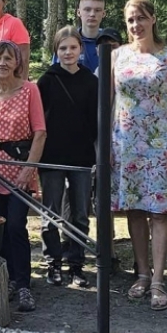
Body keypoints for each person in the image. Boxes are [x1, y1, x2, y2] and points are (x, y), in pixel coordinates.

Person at [112, 0, 167, 311]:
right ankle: (141, 274)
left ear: (153, 19)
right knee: (134, 211)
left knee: (159, 213)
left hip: (159, 144)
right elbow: (110, 103)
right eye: (130, 19)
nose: (135, 25)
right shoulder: (117, 56)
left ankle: (158, 279)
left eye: (141, 18)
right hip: (126, 144)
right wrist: (106, 146)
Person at [0, 41, 48, 312]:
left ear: (17, 62)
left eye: (8, 58)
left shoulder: (30, 90)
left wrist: (29, 169)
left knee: (17, 225)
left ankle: (24, 285)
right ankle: (5, 278)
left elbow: (39, 132)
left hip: (20, 169)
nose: (2, 63)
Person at [36, 27, 98, 288]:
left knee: (81, 213)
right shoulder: (47, 80)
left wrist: (96, 152)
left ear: (80, 49)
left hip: (82, 156)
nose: (68, 52)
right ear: (56, 51)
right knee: (50, 212)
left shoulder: (91, 81)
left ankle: (76, 264)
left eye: (73, 47)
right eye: (63, 48)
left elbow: (96, 119)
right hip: (52, 157)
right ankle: (53, 263)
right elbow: (38, 119)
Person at [73, 0, 107, 73]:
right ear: (78, 12)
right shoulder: (68, 41)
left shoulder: (110, 41)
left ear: (103, 14)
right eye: (87, 9)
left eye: (97, 10)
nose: (92, 14)